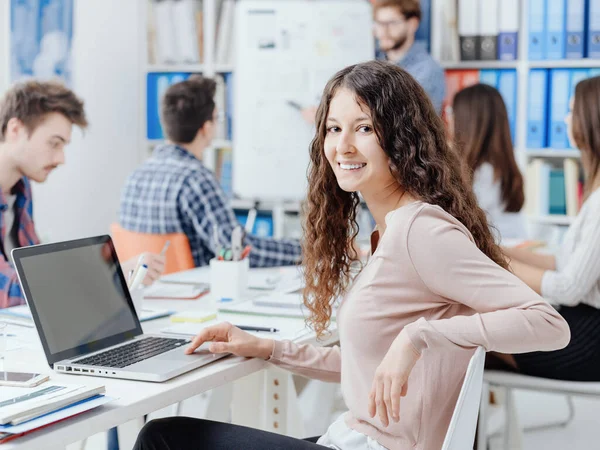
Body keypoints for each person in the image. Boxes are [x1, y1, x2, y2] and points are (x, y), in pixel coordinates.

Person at [132, 61, 569, 450]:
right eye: (333, 128)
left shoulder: (421, 230)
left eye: (363, 128)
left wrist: (419, 336)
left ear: (402, 138)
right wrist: (268, 347)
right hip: (352, 436)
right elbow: (365, 367)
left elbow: (549, 324)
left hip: (374, 443)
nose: (342, 146)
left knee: (163, 436)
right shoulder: (392, 231)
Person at [0, 80, 165, 309]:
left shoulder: (20, 188)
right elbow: (10, 292)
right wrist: (110, 275)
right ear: (15, 130)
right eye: (54, 143)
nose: (61, 159)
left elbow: (34, 271)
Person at [119, 76, 302, 268]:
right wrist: (306, 250)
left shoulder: (135, 177)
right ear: (206, 128)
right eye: (217, 119)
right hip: (198, 292)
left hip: (149, 294)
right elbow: (236, 250)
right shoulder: (195, 179)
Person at [500, 75, 600, 381]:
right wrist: (493, 250)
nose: (566, 119)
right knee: (470, 337)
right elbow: (564, 261)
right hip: (580, 321)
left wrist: (500, 264)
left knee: (469, 344)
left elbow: (569, 288)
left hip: (588, 337)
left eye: (572, 112)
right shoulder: (594, 190)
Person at [301, 0, 445, 124]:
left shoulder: (427, 70)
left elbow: (403, 120)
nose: (382, 31)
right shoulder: (371, 60)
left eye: (391, 23)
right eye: (379, 23)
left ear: (412, 24)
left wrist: (331, 116)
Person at [449, 83, 527, 240]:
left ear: (466, 122)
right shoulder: (501, 169)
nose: (448, 119)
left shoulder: (481, 175)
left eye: (451, 112)